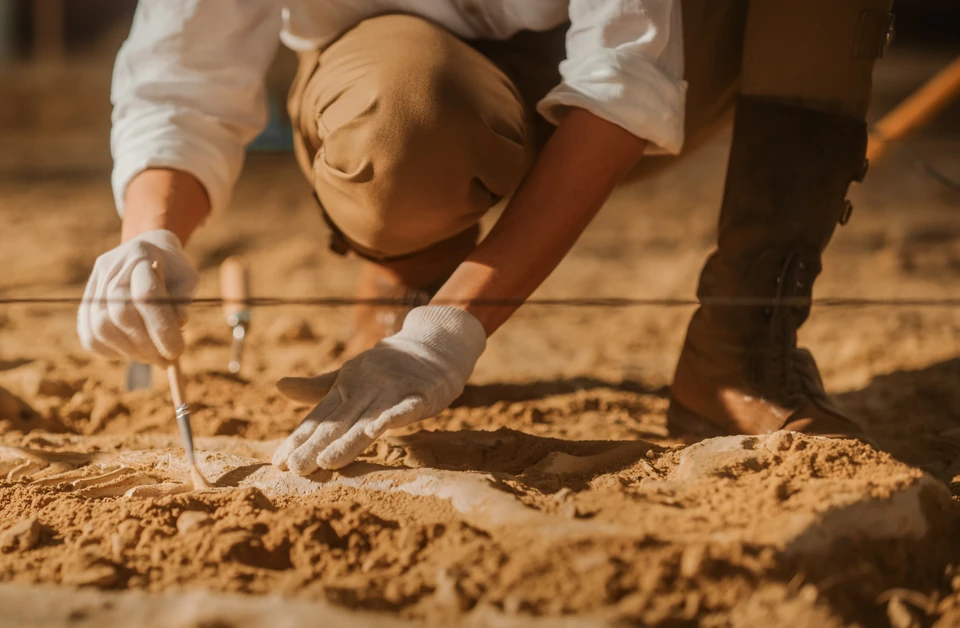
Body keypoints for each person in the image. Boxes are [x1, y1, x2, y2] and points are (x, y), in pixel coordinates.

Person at [78, 0, 895, 476]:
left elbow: (625, 80)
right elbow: (182, 73)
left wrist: (451, 330)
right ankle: (409, 266)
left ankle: (743, 341)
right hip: (403, 76)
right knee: (401, 117)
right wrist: (151, 236)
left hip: (666, 69)